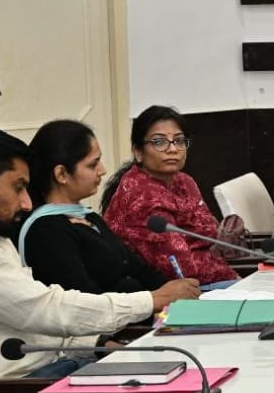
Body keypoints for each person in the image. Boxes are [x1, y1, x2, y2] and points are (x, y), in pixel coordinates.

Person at [0, 128, 197, 384]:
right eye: (18, 188)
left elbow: (31, 321)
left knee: (175, 373)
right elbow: (45, 309)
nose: (27, 203)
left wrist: (96, 343)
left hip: (50, 369)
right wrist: (151, 300)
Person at [19, 120, 169, 295]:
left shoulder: (89, 217)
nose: (102, 170)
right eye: (93, 164)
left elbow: (137, 268)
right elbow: (85, 300)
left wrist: (173, 291)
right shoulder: (46, 231)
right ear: (62, 174)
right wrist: (154, 299)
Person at [101, 106, 240, 288]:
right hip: (167, 290)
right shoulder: (142, 197)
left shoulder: (184, 181)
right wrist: (236, 279)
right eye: (159, 142)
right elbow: (180, 268)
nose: (173, 149)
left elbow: (211, 232)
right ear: (138, 152)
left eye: (179, 140)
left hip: (210, 276)